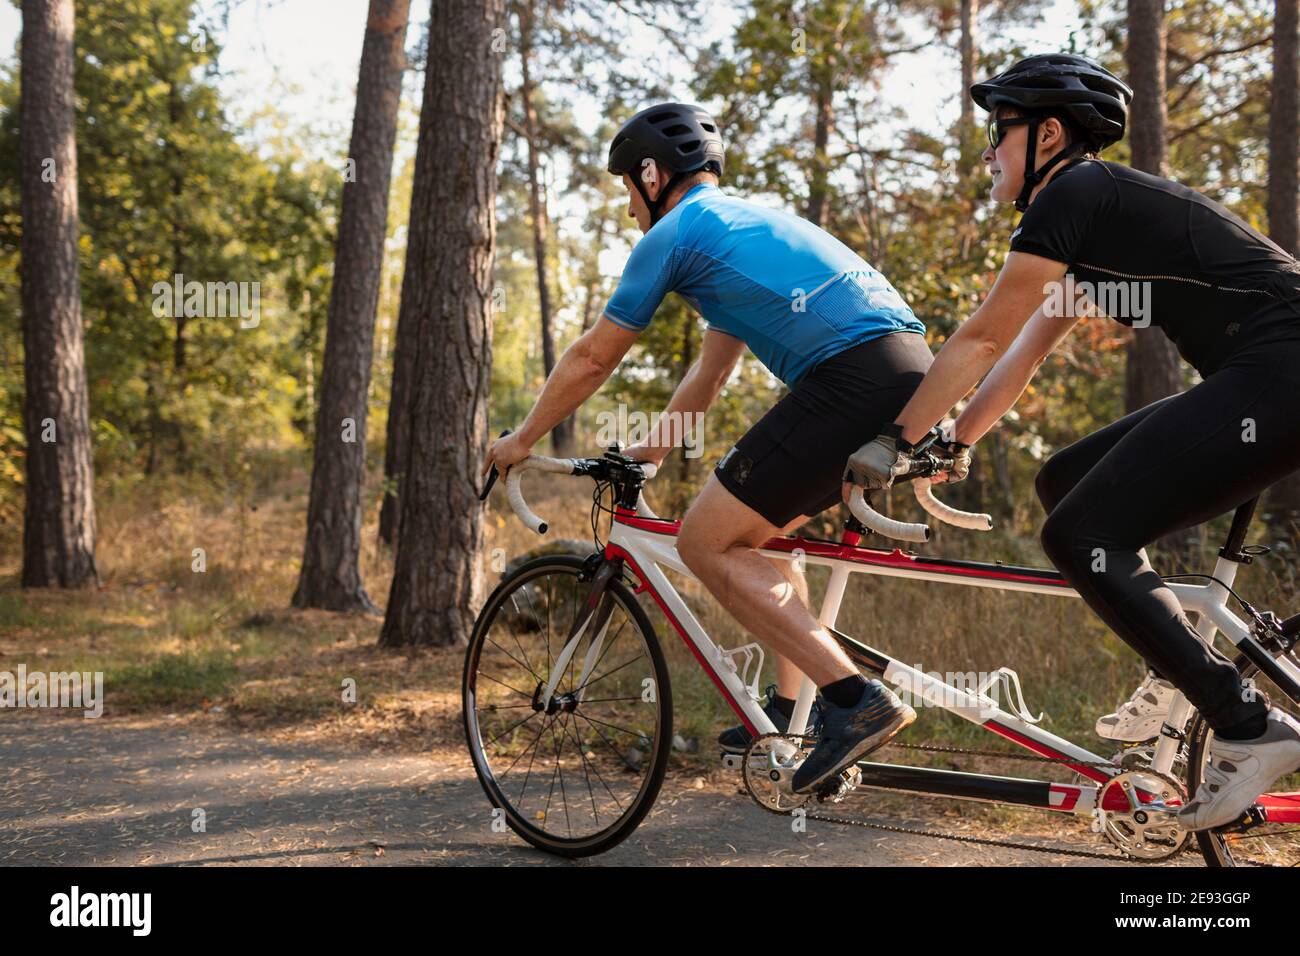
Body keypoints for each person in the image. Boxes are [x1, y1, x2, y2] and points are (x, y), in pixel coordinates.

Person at [842, 53, 1300, 830]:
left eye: (1001, 133)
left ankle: (1245, 724)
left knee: (1081, 533)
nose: (990, 152)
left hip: (1280, 368)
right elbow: (1018, 355)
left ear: (1047, 135)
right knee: (1064, 482)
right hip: (1265, 374)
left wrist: (891, 439)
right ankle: (1179, 668)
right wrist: (948, 444)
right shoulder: (1093, 222)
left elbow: (982, 336)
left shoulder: (1075, 191)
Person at [483, 102, 928, 793]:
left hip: (852, 378)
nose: (630, 209)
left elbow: (595, 357)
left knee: (703, 542)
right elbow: (712, 372)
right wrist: (651, 454)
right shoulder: (736, 228)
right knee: (760, 541)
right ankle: (794, 713)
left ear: (654, 175)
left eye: (628, 190)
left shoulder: (676, 233)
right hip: (909, 371)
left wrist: (520, 440)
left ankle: (853, 701)